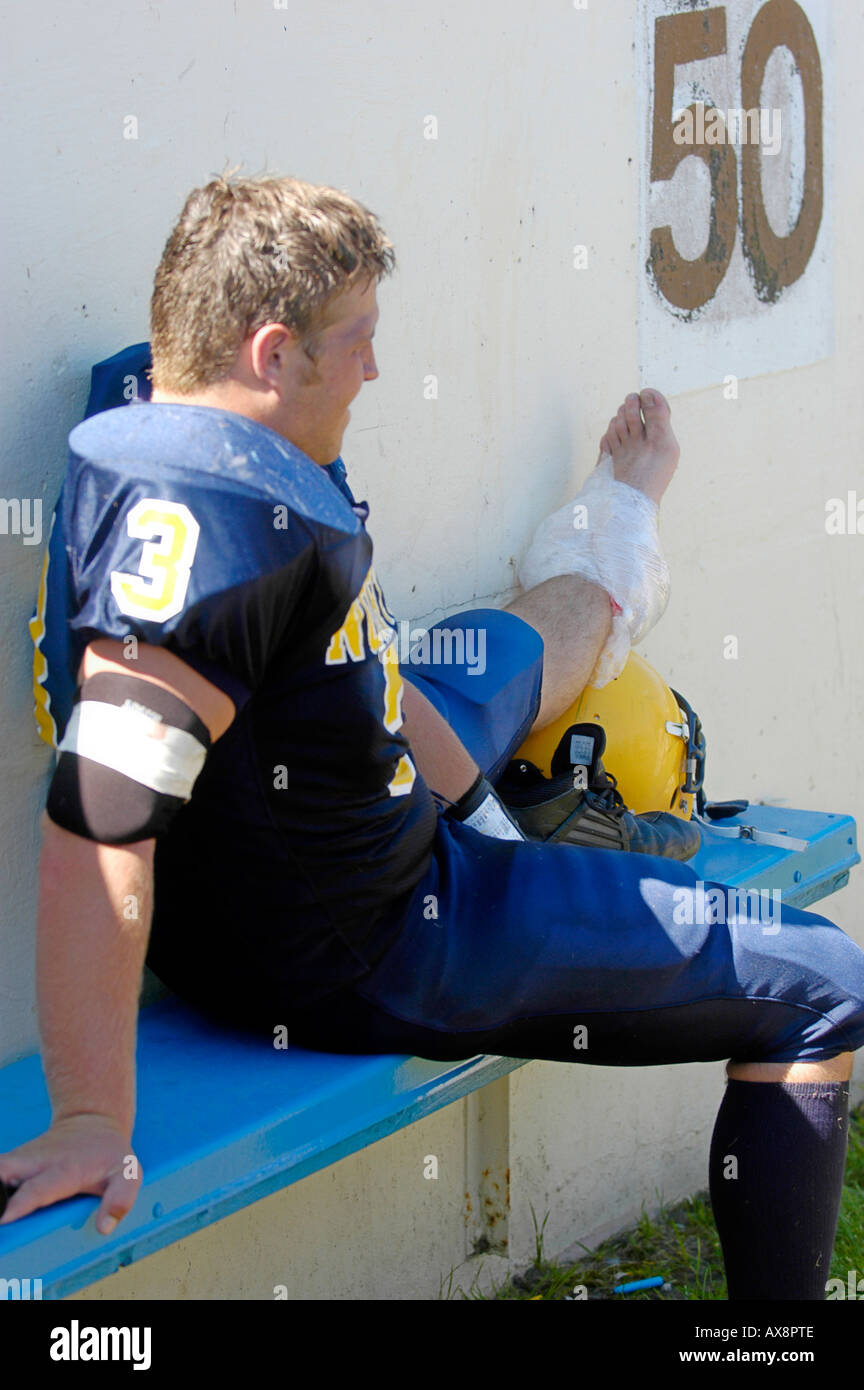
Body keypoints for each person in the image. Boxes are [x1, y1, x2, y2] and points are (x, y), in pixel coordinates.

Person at [2, 174, 863, 1302]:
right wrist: (90, 1114)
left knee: (495, 656)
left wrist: (480, 805)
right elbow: (100, 826)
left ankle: (607, 545)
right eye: (356, 343)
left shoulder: (154, 400)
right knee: (822, 979)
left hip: (355, 770)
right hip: (386, 935)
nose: (373, 368)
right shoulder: (213, 516)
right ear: (270, 354)